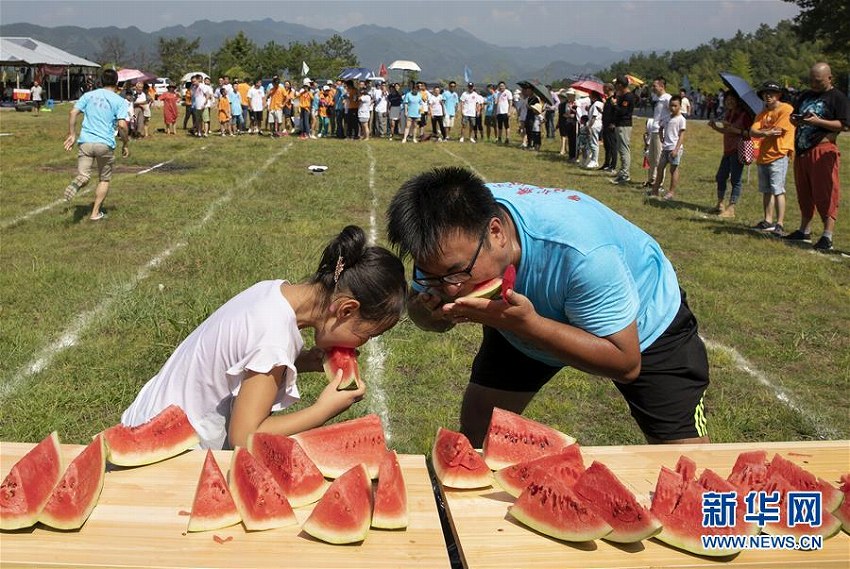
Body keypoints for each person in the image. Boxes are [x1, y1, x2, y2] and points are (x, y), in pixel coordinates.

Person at [386, 167, 710, 447]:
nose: (451, 288)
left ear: (496, 232)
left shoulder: (583, 254)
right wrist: (426, 314)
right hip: (518, 318)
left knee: (686, 461)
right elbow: (429, 315)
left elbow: (626, 363)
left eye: (458, 273)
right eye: (432, 276)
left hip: (641, 323)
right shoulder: (440, 244)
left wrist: (527, 325)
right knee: (476, 432)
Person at [120, 226, 407, 450]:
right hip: (161, 447)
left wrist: (301, 361)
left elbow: (243, 356)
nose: (363, 345)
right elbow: (244, 437)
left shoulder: (274, 291)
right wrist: (322, 410)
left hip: (146, 418)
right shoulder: (274, 339)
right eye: (366, 335)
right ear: (346, 309)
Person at [785, 62, 850, 251]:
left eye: (818, 81)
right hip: (803, 151)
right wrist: (794, 119)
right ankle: (804, 230)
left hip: (823, 150)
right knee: (804, 193)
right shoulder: (805, 95)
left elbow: (844, 125)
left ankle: (827, 236)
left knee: (826, 193)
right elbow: (795, 114)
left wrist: (818, 121)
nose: (813, 84)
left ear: (829, 78)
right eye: (811, 80)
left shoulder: (838, 97)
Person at [61, 68, 130, 221]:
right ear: (117, 83)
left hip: (85, 141)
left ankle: (81, 180)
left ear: (101, 82)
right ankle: (95, 213)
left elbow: (73, 113)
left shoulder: (88, 95)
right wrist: (125, 143)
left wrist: (72, 134)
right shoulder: (119, 101)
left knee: (84, 174)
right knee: (104, 179)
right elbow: (123, 125)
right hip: (104, 143)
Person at [748, 81, 795, 235]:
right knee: (766, 190)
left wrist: (763, 131)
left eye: (771, 93)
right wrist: (765, 132)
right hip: (763, 156)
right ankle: (767, 220)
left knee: (778, 190)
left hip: (778, 154)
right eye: (765, 94)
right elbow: (753, 131)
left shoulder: (786, 109)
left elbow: (778, 130)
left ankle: (779, 223)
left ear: (779, 95)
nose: (767, 96)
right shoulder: (762, 114)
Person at [707, 91, 753, 218]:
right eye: (727, 99)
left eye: (732, 99)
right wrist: (715, 127)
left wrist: (734, 129)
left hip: (738, 150)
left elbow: (750, 133)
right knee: (720, 176)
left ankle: (731, 208)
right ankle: (720, 204)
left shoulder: (744, 115)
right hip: (727, 150)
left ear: (738, 101)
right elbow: (726, 131)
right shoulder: (728, 114)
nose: (729, 102)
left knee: (735, 179)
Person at [648, 95, 686, 200]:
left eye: (675, 106)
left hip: (674, 148)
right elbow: (661, 127)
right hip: (665, 148)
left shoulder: (681, 119)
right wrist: (662, 138)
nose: (672, 108)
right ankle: (655, 190)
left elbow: (681, 135)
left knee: (673, 170)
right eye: (671, 106)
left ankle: (671, 192)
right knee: (660, 168)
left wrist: (676, 149)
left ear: (680, 106)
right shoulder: (667, 118)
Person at [645, 77, 671, 189]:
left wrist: (664, 125)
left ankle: (658, 183)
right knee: (651, 158)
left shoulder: (667, 99)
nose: (653, 88)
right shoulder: (657, 98)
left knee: (659, 159)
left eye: (655, 86)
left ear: (662, 86)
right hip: (654, 130)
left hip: (661, 131)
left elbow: (673, 113)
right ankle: (651, 180)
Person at [610, 75, 636, 185]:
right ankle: (622, 172)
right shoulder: (622, 95)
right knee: (621, 149)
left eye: (616, 84)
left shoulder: (628, 97)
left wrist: (615, 105)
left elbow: (623, 112)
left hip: (624, 125)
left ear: (620, 85)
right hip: (619, 124)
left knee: (624, 149)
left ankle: (625, 174)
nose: (615, 86)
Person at [600, 83, 618, 172]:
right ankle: (606, 163)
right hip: (605, 124)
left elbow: (616, 112)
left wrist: (613, 123)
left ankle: (613, 165)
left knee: (612, 146)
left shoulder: (614, 98)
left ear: (608, 88)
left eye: (604, 88)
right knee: (606, 145)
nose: (603, 90)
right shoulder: (607, 100)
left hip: (611, 125)